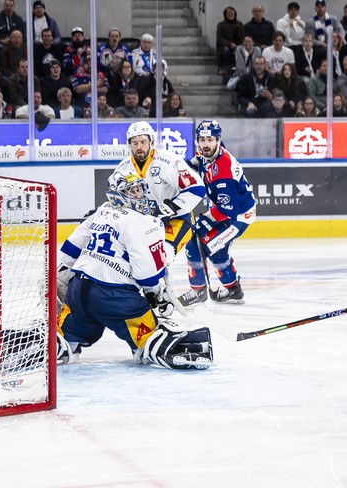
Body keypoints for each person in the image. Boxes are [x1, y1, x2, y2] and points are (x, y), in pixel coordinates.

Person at [56, 174, 213, 370]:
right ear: (117, 195)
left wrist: (61, 276)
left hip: (77, 292)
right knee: (149, 335)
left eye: (139, 189)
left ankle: (59, 345)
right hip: (114, 298)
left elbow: (71, 247)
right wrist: (155, 293)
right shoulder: (143, 222)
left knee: (68, 334)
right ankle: (159, 347)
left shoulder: (102, 211)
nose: (139, 195)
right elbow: (145, 272)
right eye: (132, 191)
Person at [178, 120, 256, 306]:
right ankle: (233, 290)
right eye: (202, 139)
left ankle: (198, 291)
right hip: (226, 210)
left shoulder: (224, 172)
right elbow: (199, 162)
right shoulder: (210, 153)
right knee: (217, 250)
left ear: (218, 140)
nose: (205, 144)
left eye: (210, 140)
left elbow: (227, 210)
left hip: (237, 216)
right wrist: (183, 168)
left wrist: (204, 222)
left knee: (195, 247)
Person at [108, 121, 207, 265]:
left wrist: (170, 208)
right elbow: (116, 197)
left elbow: (197, 188)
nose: (139, 146)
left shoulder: (168, 161)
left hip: (177, 220)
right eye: (134, 143)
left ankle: (167, 288)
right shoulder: (123, 167)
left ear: (151, 142)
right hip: (144, 223)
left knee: (162, 257)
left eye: (143, 141)